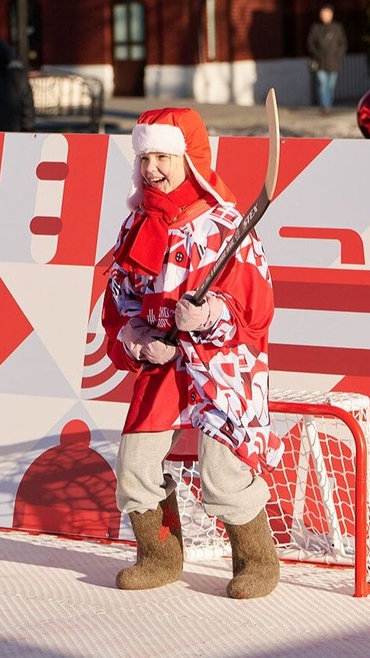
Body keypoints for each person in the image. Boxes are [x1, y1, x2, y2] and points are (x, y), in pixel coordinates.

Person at [101, 107, 280, 599]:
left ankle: (257, 559)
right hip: (165, 365)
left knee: (222, 472)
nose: (151, 168)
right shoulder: (137, 223)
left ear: (190, 159)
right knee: (135, 464)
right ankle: (159, 557)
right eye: (144, 158)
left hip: (221, 367)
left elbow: (256, 307)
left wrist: (209, 315)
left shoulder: (225, 225)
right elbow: (121, 297)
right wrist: (137, 336)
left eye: (163, 156)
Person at [307, 4, 347, 115]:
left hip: (333, 62)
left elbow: (342, 44)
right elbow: (310, 43)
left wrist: (338, 56)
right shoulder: (315, 28)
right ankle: (325, 107)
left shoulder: (337, 28)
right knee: (322, 84)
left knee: (330, 86)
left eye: (326, 14)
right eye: (322, 14)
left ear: (331, 14)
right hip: (320, 62)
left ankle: (328, 104)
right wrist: (317, 55)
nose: (324, 16)